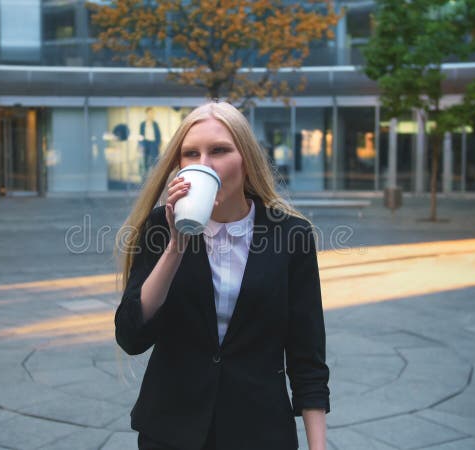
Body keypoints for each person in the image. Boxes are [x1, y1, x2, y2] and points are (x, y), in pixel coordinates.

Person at [115, 101, 330, 450]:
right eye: (191, 154)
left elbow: (308, 356)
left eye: (219, 150)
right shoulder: (160, 227)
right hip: (172, 430)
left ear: (246, 160)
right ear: (179, 166)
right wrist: (177, 244)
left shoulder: (291, 234)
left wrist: (318, 447)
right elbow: (131, 335)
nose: (204, 164)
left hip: (260, 431)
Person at [140, 107, 162, 175]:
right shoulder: (143, 124)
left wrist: (158, 144)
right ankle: (146, 177)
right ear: (146, 114)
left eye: (152, 113)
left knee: (155, 161)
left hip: (153, 144)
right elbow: (141, 135)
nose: (150, 115)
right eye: (149, 113)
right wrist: (141, 145)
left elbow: (159, 135)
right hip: (146, 143)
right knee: (146, 161)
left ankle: (155, 176)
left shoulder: (155, 124)